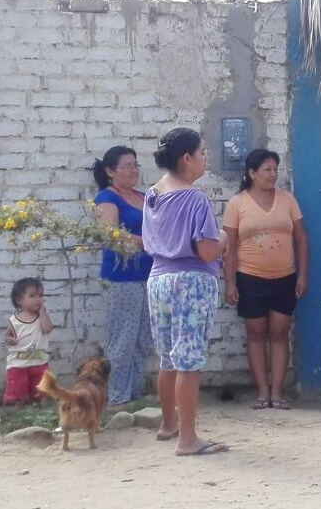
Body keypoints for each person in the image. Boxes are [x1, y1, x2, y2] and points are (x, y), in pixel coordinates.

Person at [143, 127, 229, 456]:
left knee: (168, 359)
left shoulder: (153, 193)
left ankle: (169, 425)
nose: (206, 158)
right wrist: (224, 239)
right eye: (203, 152)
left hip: (159, 280)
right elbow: (206, 251)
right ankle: (188, 439)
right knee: (188, 361)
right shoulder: (194, 197)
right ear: (187, 158)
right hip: (191, 282)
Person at [223, 149, 309, 410]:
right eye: (267, 170)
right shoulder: (237, 203)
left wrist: (302, 275)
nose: (273, 174)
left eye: (275, 169)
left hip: (284, 277)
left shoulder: (287, 199)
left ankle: (278, 393)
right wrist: (230, 282)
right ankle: (262, 392)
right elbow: (228, 245)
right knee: (256, 332)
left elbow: (301, 239)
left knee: (280, 332)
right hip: (249, 277)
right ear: (252, 173)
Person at [93, 146, 154, 407]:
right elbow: (111, 235)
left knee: (143, 338)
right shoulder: (107, 197)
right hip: (121, 278)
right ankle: (116, 398)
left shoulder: (144, 196)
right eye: (127, 166)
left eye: (136, 165)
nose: (134, 170)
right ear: (110, 171)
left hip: (149, 275)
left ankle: (133, 393)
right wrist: (149, 242)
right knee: (122, 339)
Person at [3, 277, 54, 407]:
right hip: (18, 363)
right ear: (19, 300)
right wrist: (11, 340)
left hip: (39, 362)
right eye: (32, 296)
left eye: (40, 295)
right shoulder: (14, 320)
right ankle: (18, 414)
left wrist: (42, 313)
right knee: (19, 395)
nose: (38, 299)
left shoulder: (42, 317)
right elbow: (8, 336)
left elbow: (47, 329)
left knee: (40, 393)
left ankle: (37, 414)